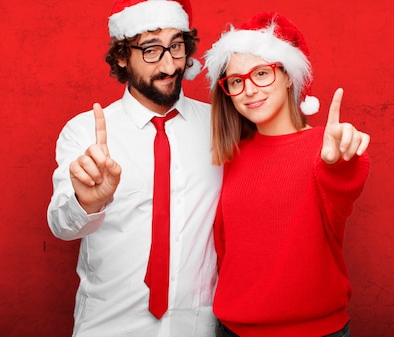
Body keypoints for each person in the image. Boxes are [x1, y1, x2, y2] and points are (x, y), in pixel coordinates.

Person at [47, 1, 222, 336]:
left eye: (176, 45)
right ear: (123, 55)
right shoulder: (85, 132)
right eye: (152, 49)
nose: (170, 65)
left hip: (197, 328)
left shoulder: (220, 126)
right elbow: (61, 225)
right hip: (109, 326)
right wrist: (88, 202)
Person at [203, 12, 371, 337]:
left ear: (289, 76)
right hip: (232, 330)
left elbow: (344, 179)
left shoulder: (325, 149)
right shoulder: (231, 156)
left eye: (262, 73)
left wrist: (341, 161)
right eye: (236, 81)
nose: (249, 89)